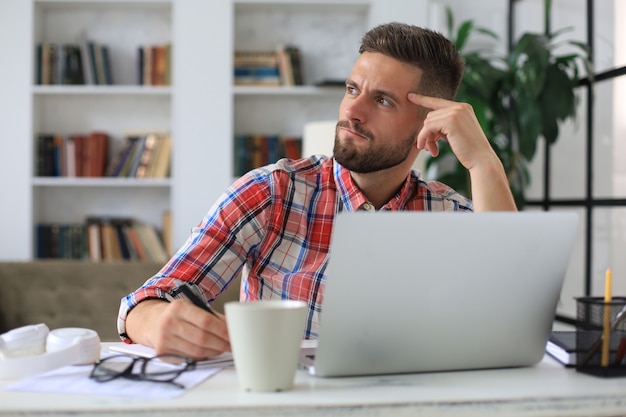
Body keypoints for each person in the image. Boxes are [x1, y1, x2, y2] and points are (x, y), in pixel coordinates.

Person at [118, 22, 517, 360]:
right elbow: (149, 300)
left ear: (429, 125)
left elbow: (511, 313)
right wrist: (156, 321)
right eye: (352, 89)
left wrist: (484, 162)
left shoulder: (448, 214)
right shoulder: (272, 192)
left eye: (382, 100)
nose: (352, 112)